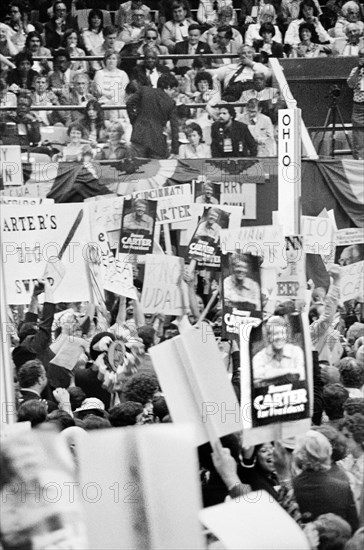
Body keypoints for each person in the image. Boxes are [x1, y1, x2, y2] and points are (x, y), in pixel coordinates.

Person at [292, 430, 359, 532]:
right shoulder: (343, 488)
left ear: (299, 455)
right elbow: (353, 526)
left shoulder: (291, 489)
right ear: (327, 454)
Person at [126, 73, 179, 158]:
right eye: (173, 90)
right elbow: (174, 128)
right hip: (157, 142)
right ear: (168, 87)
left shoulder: (144, 90)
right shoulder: (171, 102)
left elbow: (129, 103)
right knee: (155, 170)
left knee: (136, 169)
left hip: (139, 136)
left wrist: (135, 121)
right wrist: (174, 150)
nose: (173, 93)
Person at [252, 315, 305, 386]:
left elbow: (302, 375)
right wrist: (288, 372)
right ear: (269, 337)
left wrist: (270, 375)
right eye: (275, 334)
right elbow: (255, 375)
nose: (279, 337)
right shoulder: (260, 357)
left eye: (282, 333)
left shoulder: (296, 351)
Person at [93, 49, 130, 123]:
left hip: (118, 101)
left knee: (117, 104)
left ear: (117, 61)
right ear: (105, 60)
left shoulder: (123, 74)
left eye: (114, 59)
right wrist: (111, 97)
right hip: (104, 101)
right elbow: (99, 90)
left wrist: (114, 99)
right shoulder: (99, 73)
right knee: (114, 106)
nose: (111, 61)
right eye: (109, 58)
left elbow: (123, 91)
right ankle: (116, 123)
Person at [347, 48, 364, 160]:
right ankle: (360, 160)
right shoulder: (355, 70)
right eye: (361, 56)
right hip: (359, 106)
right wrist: (359, 71)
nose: (362, 58)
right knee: (358, 135)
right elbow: (351, 84)